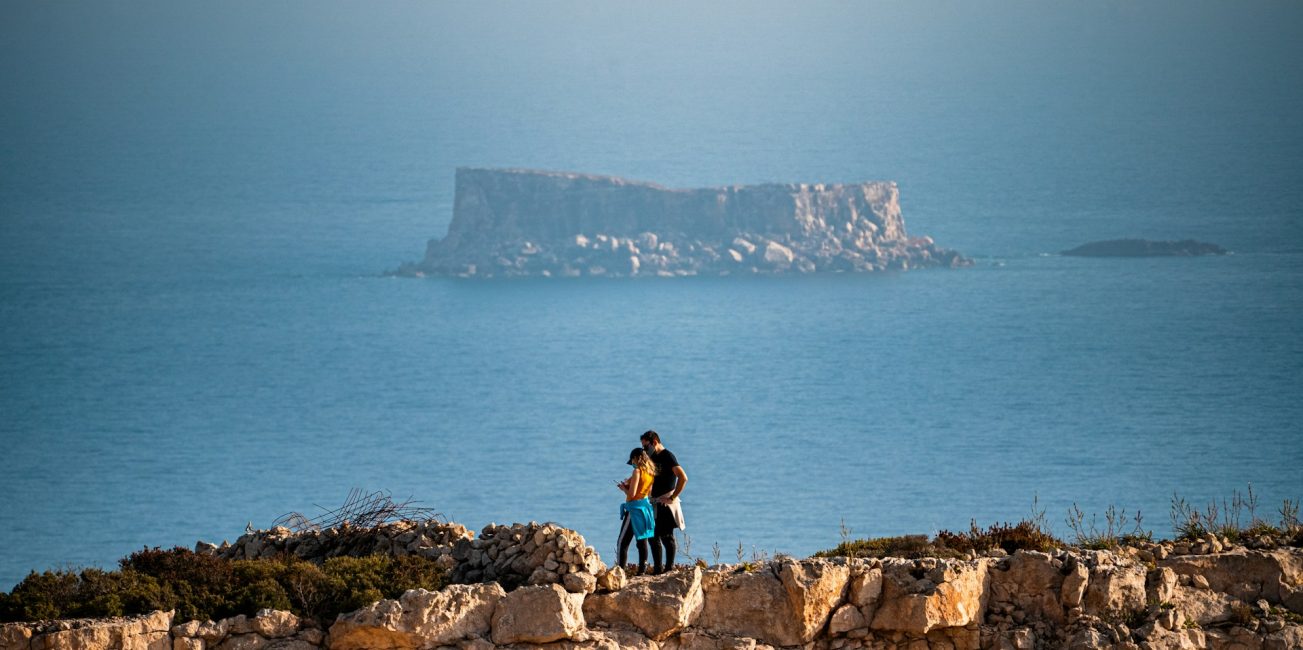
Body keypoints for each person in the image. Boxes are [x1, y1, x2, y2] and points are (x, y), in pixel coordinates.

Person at [640, 430, 687, 574]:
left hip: (666, 503)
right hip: (654, 502)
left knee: (667, 536)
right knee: (652, 536)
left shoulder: (668, 456)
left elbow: (683, 477)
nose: (645, 450)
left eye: (646, 446)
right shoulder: (651, 458)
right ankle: (658, 569)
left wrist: (672, 498)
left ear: (654, 442)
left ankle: (669, 568)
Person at [615, 447, 657, 575]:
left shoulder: (637, 471)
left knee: (622, 542)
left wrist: (623, 488)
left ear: (636, 458)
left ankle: (620, 572)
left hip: (634, 509)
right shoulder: (650, 472)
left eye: (632, 460)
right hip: (645, 508)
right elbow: (648, 492)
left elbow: (632, 494)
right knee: (642, 539)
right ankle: (642, 570)